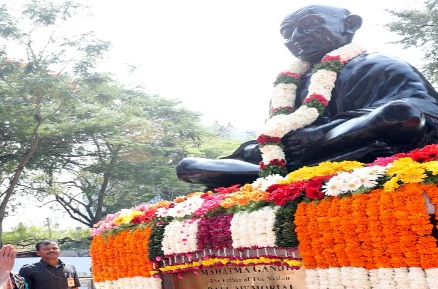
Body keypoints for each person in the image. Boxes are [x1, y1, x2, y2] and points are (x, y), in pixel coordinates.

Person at [176, 4, 438, 189]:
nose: (296, 37)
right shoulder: (289, 86)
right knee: (191, 167)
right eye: (287, 33)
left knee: (399, 115)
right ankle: (287, 175)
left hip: (348, 141)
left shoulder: (379, 64)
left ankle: (289, 174)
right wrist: (271, 144)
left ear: (350, 26)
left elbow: (420, 111)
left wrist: (317, 136)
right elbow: (279, 135)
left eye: (309, 25)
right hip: (303, 156)